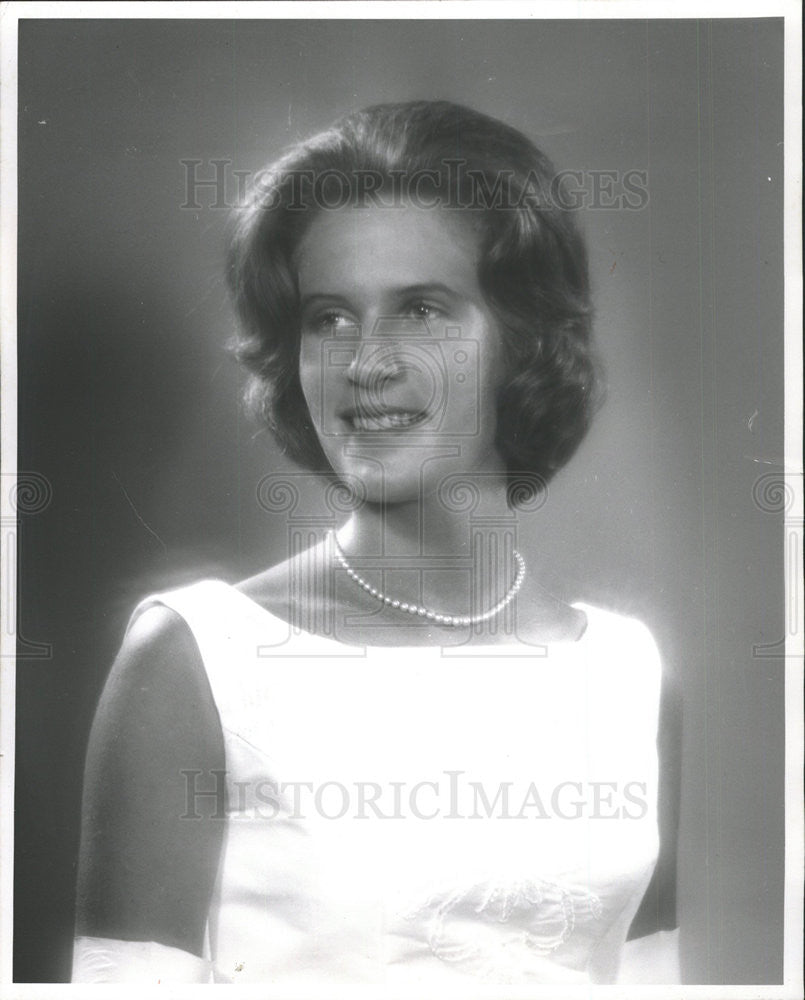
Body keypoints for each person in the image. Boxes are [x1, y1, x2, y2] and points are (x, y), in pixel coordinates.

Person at [72, 100, 680, 985]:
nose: (366, 363)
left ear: (523, 341)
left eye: (423, 310)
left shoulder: (629, 671)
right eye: (328, 317)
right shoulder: (197, 660)